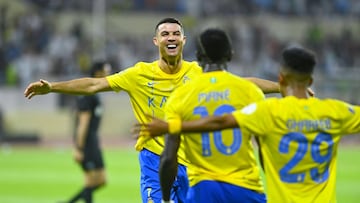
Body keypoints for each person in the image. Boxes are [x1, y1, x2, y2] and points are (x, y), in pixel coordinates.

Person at [24, 17, 280, 203]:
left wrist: (282, 86)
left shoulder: (197, 71)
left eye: (176, 33)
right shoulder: (139, 73)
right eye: (166, 34)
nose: (171, 37)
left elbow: (241, 83)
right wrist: (53, 87)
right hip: (154, 160)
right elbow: (94, 84)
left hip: (192, 165)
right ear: (156, 40)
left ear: (183, 40)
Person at [138, 46, 360, 203]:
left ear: (281, 78)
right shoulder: (335, 111)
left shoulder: (268, 112)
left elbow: (221, 122)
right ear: (310, 81)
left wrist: (171, 128)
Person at [151, 28, 267, 202]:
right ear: (230, 54)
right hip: (246, 189)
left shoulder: (181, 96)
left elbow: (169, 156)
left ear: (197, 56)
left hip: (203, 191)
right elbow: (265, 150)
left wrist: (166, 199)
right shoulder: (250, 92)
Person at [66, 61, 111, 203]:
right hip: (87, 142)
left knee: (96, 181)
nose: (108, 73)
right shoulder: (88, 94)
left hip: (92, 140)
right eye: (106, 70)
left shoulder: (95, 93)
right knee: (94, 180)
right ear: (98, 72)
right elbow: (82, 123)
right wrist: (79, 148)